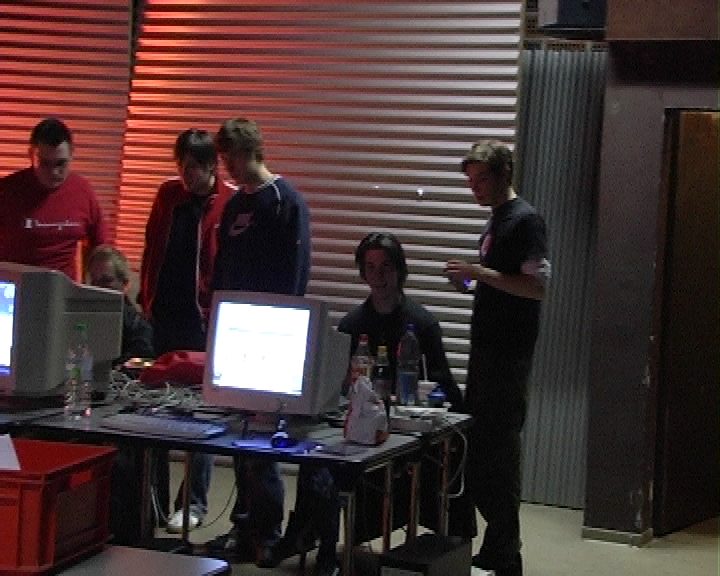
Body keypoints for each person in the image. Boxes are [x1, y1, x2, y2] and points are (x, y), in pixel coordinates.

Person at [206, 117, 312, 569]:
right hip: (234, 332)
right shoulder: (235, 205)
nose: (226, 166)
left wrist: (283, 331)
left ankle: (267, 530)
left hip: (270, 333)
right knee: (238, 434)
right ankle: (243, 523)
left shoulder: (284, 200)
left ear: (249, 150)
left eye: (230, 156)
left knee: (264, 436)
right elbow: (223, 268)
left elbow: (296, 273)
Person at [444, 140, 551, 576]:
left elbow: (536, 286)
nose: (475, 189)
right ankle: (498, 544)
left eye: (481, 179)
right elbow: (502, 285)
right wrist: (469, 284)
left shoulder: (525, 221)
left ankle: (506, 551)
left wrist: (478, 273)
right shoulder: (497, 221)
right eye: (471, 182)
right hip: (488, 352)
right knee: (483, 452)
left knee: (499, 455)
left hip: (508, 357)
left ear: (504, 173)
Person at [139, 128, 234, 533]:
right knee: (152, 406)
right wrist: (145, 298)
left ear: (211, 166)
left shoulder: (227, 201)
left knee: (200, 413)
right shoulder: (168, 195)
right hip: (165, 314)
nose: (186, 174)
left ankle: (192, 501)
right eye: (181, 166)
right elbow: (152, 245)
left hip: (202, 320)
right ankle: (153, 498)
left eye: (193, 167)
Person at [0, 117, 107, 281]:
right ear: (31, 155)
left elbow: (101, 245)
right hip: (16, 286)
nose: (54, 172)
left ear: (72, 154)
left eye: (61, 163)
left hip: (63, 288)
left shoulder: (82, 190)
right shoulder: (7, 191)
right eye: (45, 164)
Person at [86, 245, 154, 363]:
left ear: (125, 284)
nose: (97, 288)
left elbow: (140, 365)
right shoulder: (81, 320)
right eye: (94, 281)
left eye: (106, 281)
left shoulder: (138, 327)